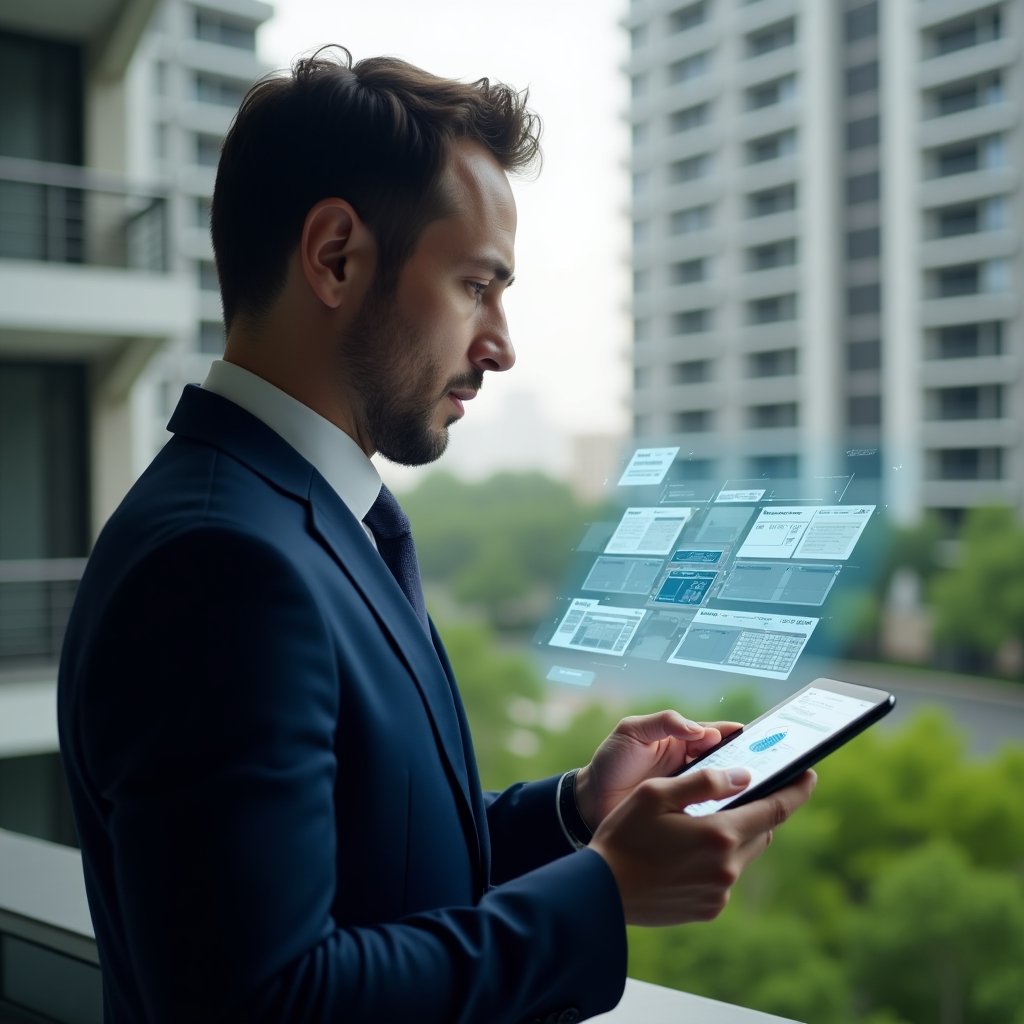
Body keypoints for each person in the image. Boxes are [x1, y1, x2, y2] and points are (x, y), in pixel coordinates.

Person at [57, 47, 815, 1024]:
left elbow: (379, 875)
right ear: (335, 256)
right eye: (475, 285)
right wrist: (606, 893)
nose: (500, 342)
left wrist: (578, 812)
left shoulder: (303, 519)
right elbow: (267, 1001)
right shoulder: (221, 567)